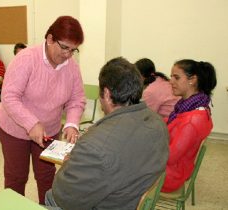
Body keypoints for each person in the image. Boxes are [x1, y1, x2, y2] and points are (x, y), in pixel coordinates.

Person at [45, 57, 169, 210]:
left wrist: (68, 165)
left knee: (50, 197)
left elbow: (64, 197)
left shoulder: (94, 146)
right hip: (132, 198)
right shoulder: (157, 122)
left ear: (107, 94)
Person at [0, 16, 86, 204]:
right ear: (50, 39)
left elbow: (77, 99)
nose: (69, 55)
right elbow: (9, 97)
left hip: (48, 130)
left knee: (46, 177)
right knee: (16, 177)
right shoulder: (27, 59)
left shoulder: (72, 68)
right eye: (65, 48)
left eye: (73, 49)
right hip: (14, 128)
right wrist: (32, 123)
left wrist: (71, 124)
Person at [161, 59, 217, 192]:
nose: (171, 81)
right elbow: (173, 122)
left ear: (192, 80)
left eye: (176, 77)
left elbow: (169, 157)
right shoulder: (193, 107)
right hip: (175, 168)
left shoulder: (193, 120)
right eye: (171, 77)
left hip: (168, 175)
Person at [0, 42, 27, 140]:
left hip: (26, 96)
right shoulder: (12, 66)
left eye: (23, 53)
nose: (21, 56)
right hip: (14, 95)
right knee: (4, 99)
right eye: (18, 54)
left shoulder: (31, 66)